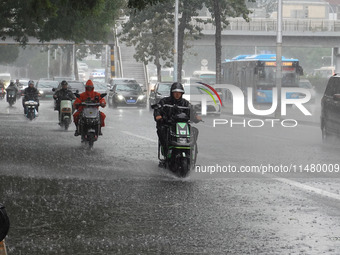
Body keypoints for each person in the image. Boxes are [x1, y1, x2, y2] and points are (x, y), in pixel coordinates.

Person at [153, 82, 202, 162]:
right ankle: (166, 151)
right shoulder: (164, 101)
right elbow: (157, 109)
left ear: (182, 93)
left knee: (194, 131)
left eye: (179, 93)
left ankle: (191, 151)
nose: (177, 94)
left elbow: (192, 112)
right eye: (175, 92)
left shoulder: (185, 103)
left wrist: (196, 117)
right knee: (162, 130)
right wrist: (159, 116)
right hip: (168, 124)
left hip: (182, 126)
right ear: (172, 93)